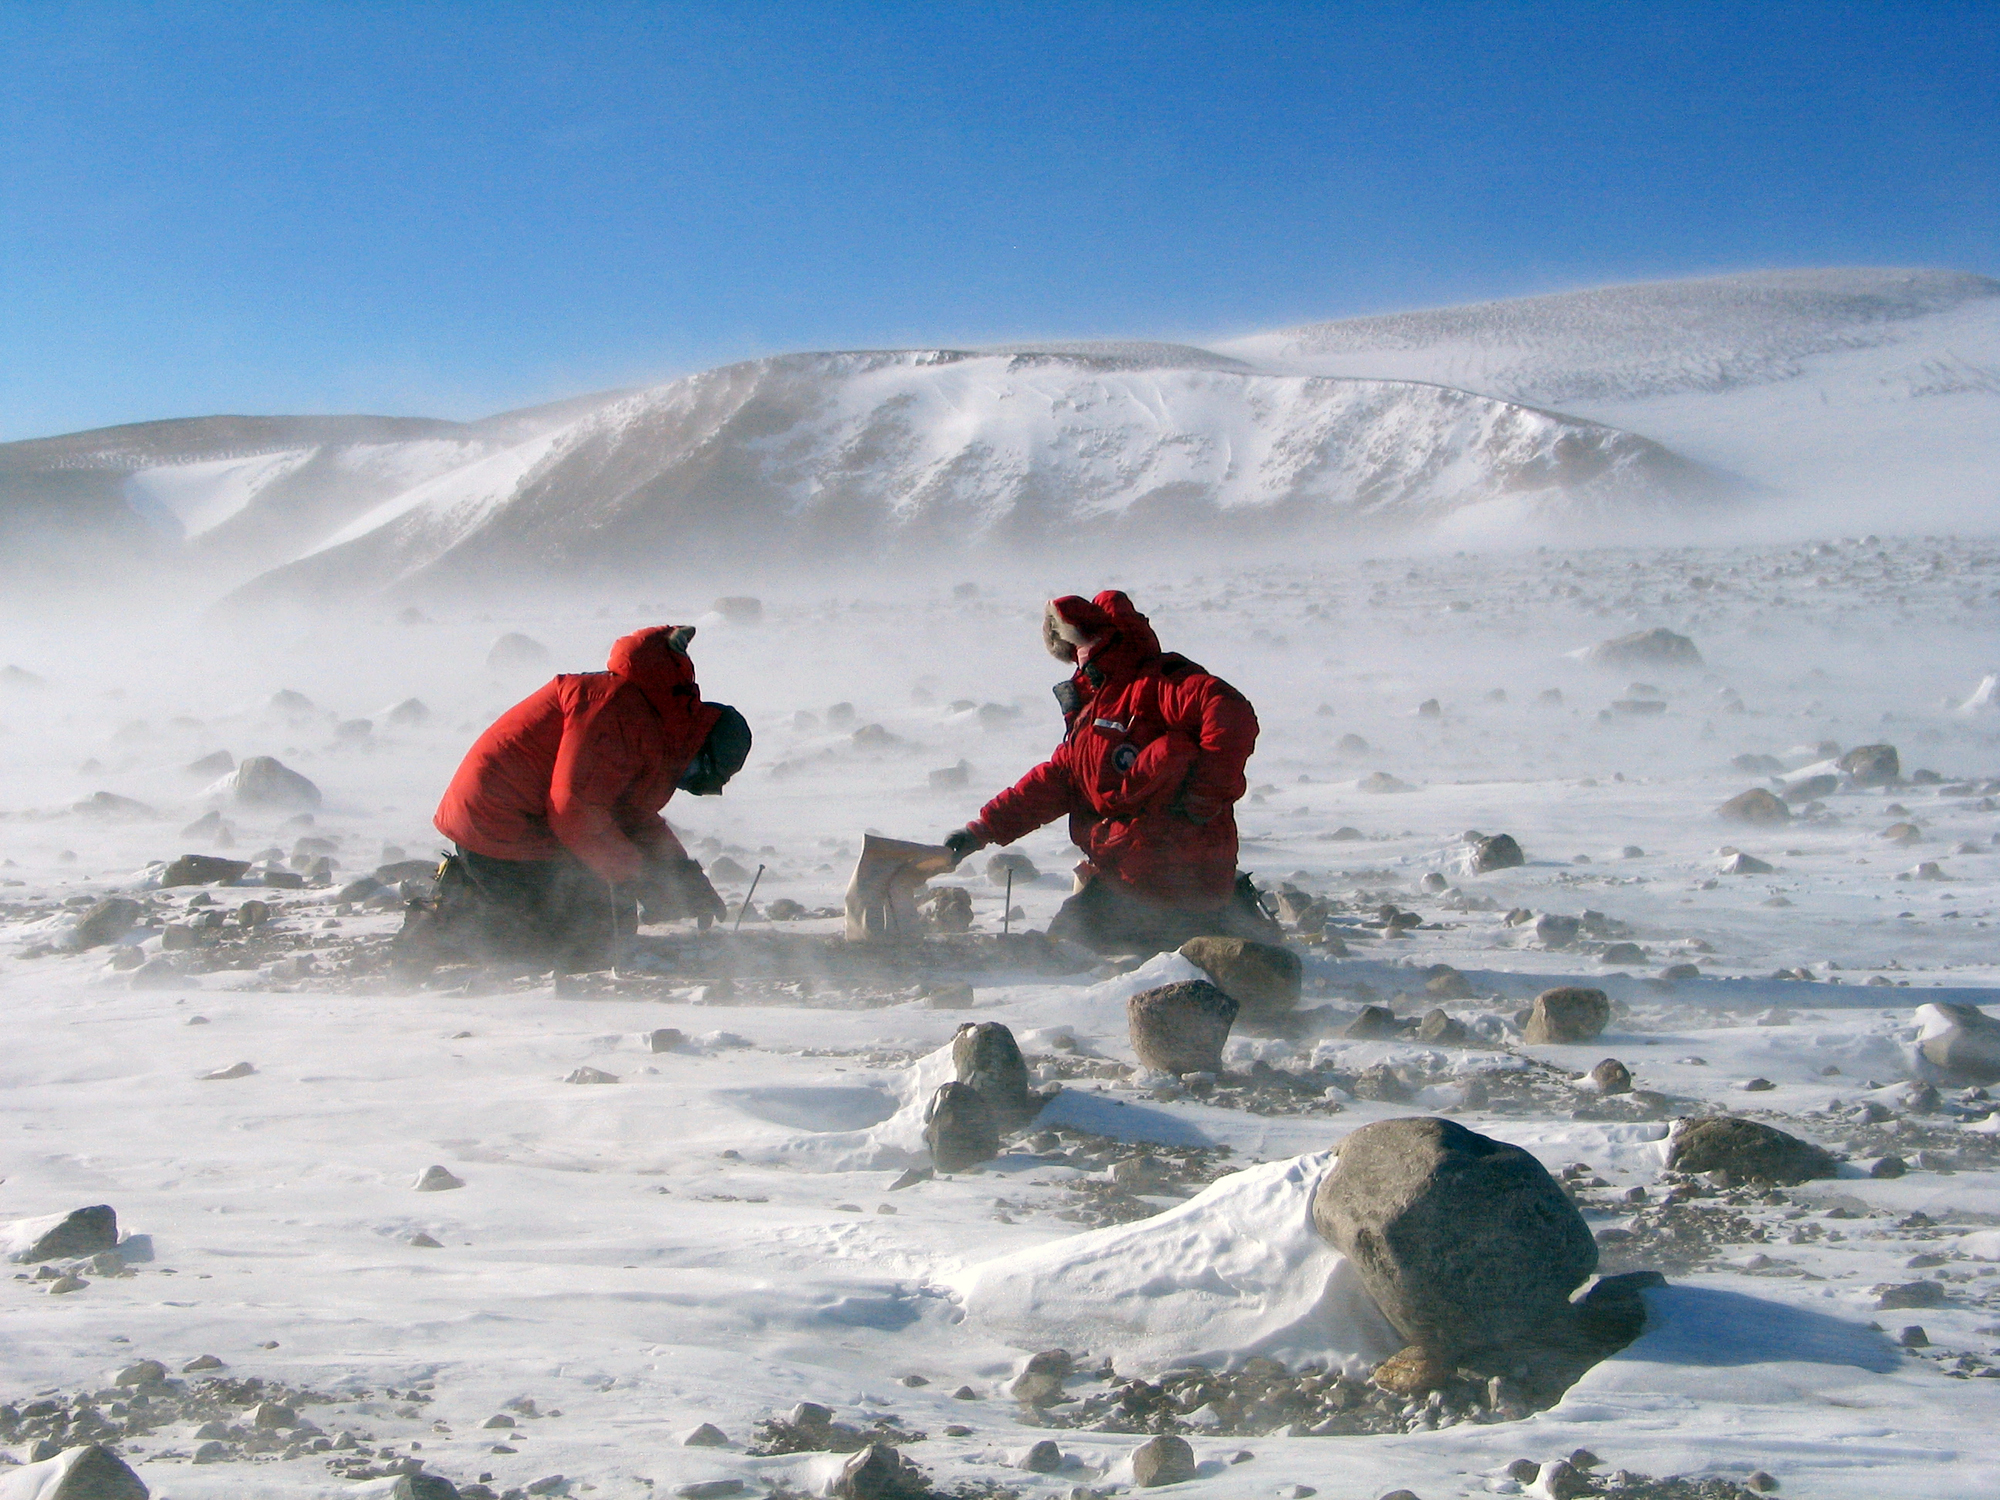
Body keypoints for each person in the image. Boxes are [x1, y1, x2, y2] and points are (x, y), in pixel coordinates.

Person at [941, 590, 1282, 954]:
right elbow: (1055, 781)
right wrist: (980, 831)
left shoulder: (1157, 684)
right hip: (1132, 882)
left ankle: (1216, 928)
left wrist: (1206, 794)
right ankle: (1224, 924)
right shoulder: (1095, 708)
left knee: (1068, 953)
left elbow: (1229, 713)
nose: (1075, 662)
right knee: (1068, 941)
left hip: (1168, 883)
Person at [402, 624, 749, 972]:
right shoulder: (618, 711)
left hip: (530, 824)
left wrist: (681, 879)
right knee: (572, 950)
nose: (684, 781)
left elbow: (631, 816)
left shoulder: (654, 727)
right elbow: (574, 810)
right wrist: (633, 876)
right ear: (698, 743)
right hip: (499, 825)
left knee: (603, 930)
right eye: (694, 775)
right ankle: (443, 924)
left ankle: (475, 890)